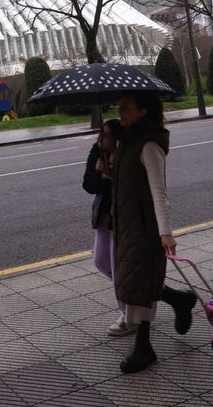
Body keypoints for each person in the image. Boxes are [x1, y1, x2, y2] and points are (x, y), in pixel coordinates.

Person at [111, 92, 197, 374]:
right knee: (135, 281)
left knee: (140, 284)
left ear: (143, 112)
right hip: (128, 225)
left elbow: (159, 193)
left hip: (146, 229)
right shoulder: (126, 141)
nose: (120, 112)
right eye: (120, 107)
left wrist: (166, 233)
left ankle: (144, 347)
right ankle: (180, 300)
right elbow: (128, 182)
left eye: (126, 107)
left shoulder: (149, 146)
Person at [83, 118, 131, 336]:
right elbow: (88, 185)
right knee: (101, 261)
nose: (102, 138)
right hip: (103, 215)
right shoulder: (96, 151)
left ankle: (127, 315)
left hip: (120, 217)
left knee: (118, 266)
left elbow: (129, 184)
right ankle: (137, 294)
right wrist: (101, 175)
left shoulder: (126, 153)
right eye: (101, 133)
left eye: (107, 135)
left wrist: (110, 174)